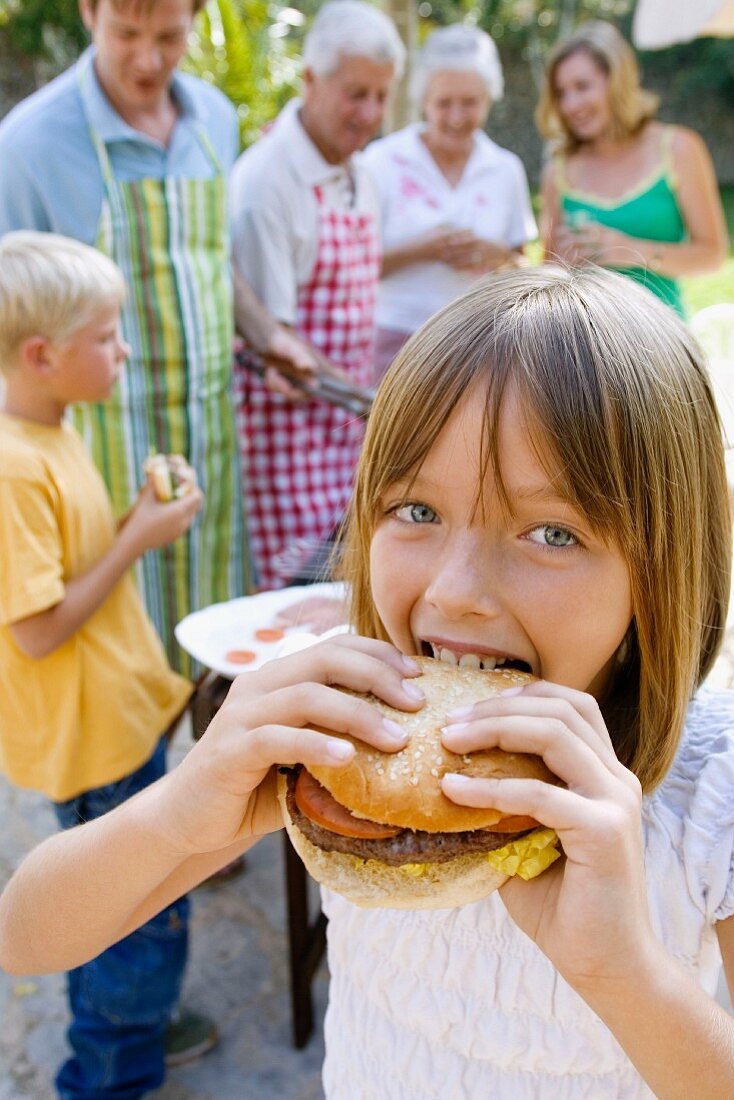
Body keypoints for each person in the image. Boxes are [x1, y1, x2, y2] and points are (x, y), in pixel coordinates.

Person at [3, 265, 734, 1097]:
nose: (455, 590)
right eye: (416, 512)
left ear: (663, 570)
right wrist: (184, 807)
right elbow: (24, 937)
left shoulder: (713, 793)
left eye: (551, 532)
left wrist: (624, 973)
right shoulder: (337, 754)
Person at [0, 0, 315, 672]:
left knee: (213, 651)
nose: (148, 60)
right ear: (89, 12)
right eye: (126, 34)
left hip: (209, 437)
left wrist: (266, 336)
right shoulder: (30, 145)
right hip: (101, 449)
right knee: (117, 661)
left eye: (170, 36)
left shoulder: (215, 121)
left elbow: (208, 259)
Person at [0, 232, 216, 1097]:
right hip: (93, 743)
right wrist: (140, 539)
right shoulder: (14, 467)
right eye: (106, 336)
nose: (123, 350)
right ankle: (110, 1069)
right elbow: (37, 631)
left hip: (118, 720)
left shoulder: (54, 430)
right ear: (43, 355)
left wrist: (133, 516)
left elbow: (69, 564)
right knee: (136, 914)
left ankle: (129, 1031)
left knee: (125, 903)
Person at [229, 0, 405, 590]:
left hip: (345, 440)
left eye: (381, 97)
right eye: (356, 94)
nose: (370, 114)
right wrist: (372, 400)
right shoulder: (266, 183)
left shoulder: (361, 172)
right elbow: (276, 347)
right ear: (309, 80)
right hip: (285, 446)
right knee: (290, 613)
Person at [363, 24, 536, 380]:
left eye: (470, 103)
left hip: (482, 344)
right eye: (444, 103)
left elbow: (526, 273)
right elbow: (353, 269)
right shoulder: (381, 161)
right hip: (395, 344)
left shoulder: (505, 169)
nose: (457, 117)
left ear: (489, 99)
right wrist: (423, 249)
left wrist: (497, 255)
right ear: (423, 100)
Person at [537, 20, 728, 317]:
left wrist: (629, 250)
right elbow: (548, 272)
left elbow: (712, 256)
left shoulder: (678, 149)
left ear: (618, 82)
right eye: (561, 93)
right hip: (583, 346)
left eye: (582, 87)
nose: (570, 105)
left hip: (661, 340)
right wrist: (561, 262)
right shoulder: (558, 171)